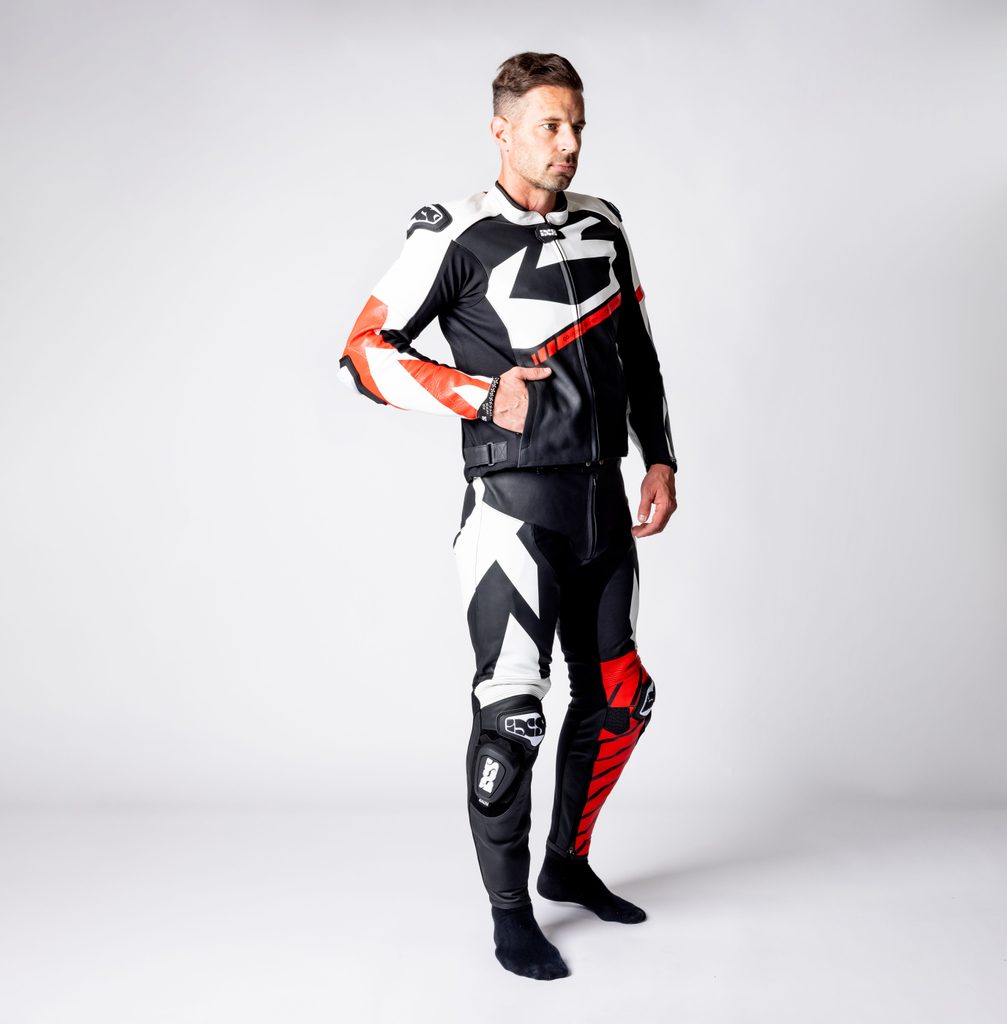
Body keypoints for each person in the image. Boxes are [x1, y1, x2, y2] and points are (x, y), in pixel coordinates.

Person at [338, 52, 677, 980]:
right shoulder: (457, 234)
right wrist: (481, 395)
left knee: (620, 700)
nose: (568, 145)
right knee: (513, 717)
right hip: (511, 510)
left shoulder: (603, 224)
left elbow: (637, 350)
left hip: (603, 501)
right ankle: (509, 913)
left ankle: (567, 864)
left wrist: (659, 456)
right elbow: (363, 353)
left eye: (577, 127)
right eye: (548, 127)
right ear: (501, 130)